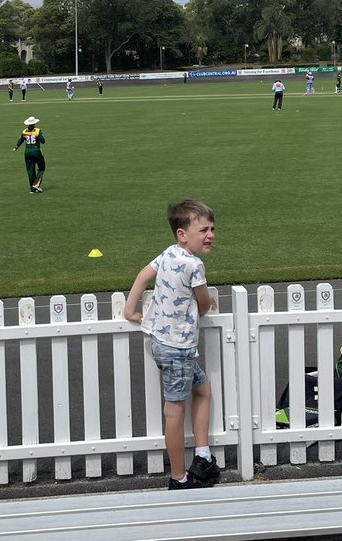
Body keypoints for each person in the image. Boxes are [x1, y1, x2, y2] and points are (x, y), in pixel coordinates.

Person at [123, 200, 220, 490]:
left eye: (212, 229)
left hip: (161, 342)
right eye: (203, 229)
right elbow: (203, 301)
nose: (210, 234)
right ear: (182, 234)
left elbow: (143, 275)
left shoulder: (169, 254)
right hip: (178, 348)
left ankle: (202, 454)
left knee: (202, 390)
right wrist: (204, 306)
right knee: (174, 411)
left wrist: (130, 310)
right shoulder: (194, 264)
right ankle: (179, 477)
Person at [12, 116, 46, 193]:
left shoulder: (24, 131)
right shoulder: (38, 130)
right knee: (41, 168)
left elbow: (20, 140)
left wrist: (15, 147)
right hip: (36, 151)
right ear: (34, 124)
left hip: (27, 152)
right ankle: (36, 185)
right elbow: (43, 141)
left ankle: (32, 188)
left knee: (30, 170)